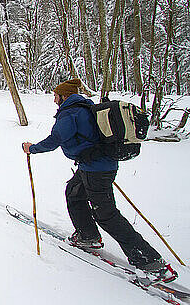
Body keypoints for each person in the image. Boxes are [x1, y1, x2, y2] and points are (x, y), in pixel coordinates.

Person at [22, 78, 177, 283]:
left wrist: (31, 148)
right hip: (94, 165)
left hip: (96, 169)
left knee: (106, 214)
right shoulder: (85, 107)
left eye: (56, 96)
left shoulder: (71, 113)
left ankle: (151, 263)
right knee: (74, 193)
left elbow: (55, 140)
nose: (54, 100)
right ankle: (88, 237)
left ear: (64, 96)